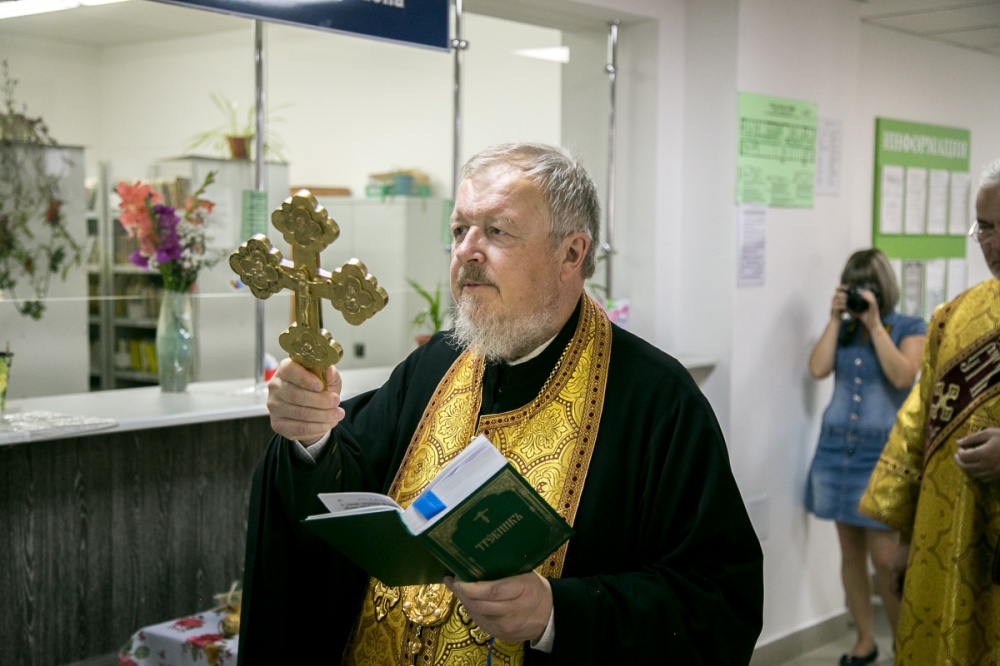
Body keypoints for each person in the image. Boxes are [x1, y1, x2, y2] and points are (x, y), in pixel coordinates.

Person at [237, 142, 763, 665]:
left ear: (571, 253)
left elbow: (717, 602)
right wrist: (311, 435)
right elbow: (347, 483)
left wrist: (555, 614)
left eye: (497, 231)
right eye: (459, 230)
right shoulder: (435, 363)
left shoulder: (656, 402)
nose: (467, 251)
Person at [859, 158, 1000, 666]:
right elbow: (918, 427)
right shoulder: (952, 318)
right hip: (951, 536)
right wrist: (904, 540)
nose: (994, 244)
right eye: (985, 228)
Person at [806, 249, 927, 666]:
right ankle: (864, 641)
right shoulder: (843, 329)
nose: (861, 295)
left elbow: (903, 375)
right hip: (837, 450)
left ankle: (904, 647)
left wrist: (875, 325)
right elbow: (817, 368)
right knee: (851, 553)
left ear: (883, 287)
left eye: (867, 286)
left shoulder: (908, 326)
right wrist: (835, 318)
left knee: (886, 559)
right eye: (853, 287)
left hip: (883, 455)